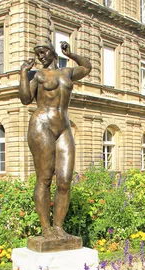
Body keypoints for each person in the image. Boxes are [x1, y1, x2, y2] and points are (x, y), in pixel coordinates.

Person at [19, 41, 92, 239]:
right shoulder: (38, 75)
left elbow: (87, 67)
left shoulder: (67, 73)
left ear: (52, 52)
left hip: (63, 126)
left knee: (65, 180)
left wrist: (71, 55)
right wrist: (24, 74)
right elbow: (25, 99)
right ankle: (46, 229)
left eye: (43, 52)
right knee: (44, 178)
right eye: (37, 53)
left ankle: (59, 227)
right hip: (42, 123)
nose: (41, 56)